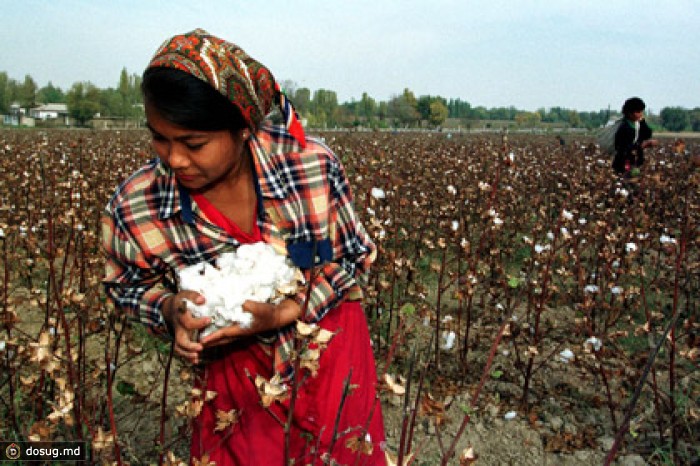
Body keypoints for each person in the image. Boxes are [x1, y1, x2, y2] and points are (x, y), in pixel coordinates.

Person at [102, 29, 386, 465]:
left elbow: (349, 254)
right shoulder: (138, 205)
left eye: (194, 144)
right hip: (234, 373)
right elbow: (126, 284)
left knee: (346, 452)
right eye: (160, 138)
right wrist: (168, 308)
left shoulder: (308, 165)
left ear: (242, 127)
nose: (174, 159)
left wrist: (287, 310)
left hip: (331, 351)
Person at [612, 97, 658, 176]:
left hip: (635, 161)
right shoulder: (624, 127)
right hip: (624, 163)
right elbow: (621, 147)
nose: (640, 114)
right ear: (630, 113)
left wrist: (643, 122)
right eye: (638, 111)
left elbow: (647, 134)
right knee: (628, 182)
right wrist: (642, 145)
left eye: (641, 111)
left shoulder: (638, 124)